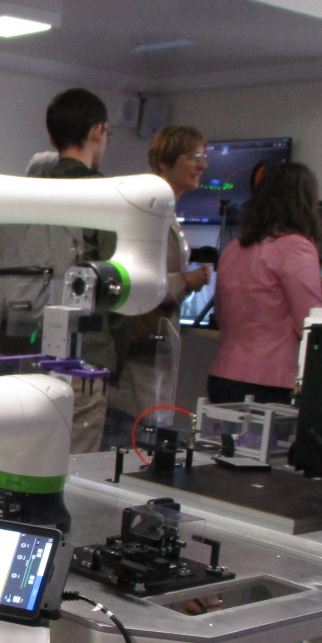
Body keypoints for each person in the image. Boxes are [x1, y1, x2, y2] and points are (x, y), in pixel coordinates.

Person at [0, 87, 118, 454]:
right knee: (71, 478)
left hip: (16, 358)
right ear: (96, 132)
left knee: (13, 465)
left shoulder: (24, 197)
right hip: (80, 363)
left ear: (52, 137)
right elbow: (120, 291)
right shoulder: (106, 200)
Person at [103, 125, 214, 446]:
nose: (202, 165)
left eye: (203, 156)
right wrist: (185, 281)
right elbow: (134, 283)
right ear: (165, 163)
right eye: (193, 156)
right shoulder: (148, 215)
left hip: (157, 349)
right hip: (138, 352)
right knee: (128, 438)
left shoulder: (170, 216)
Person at [208, 161, 322, 404]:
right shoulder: (296, 247)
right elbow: (310, 322)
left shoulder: (234, 248)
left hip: (224, 377)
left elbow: (221, 314)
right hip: (271, 384)